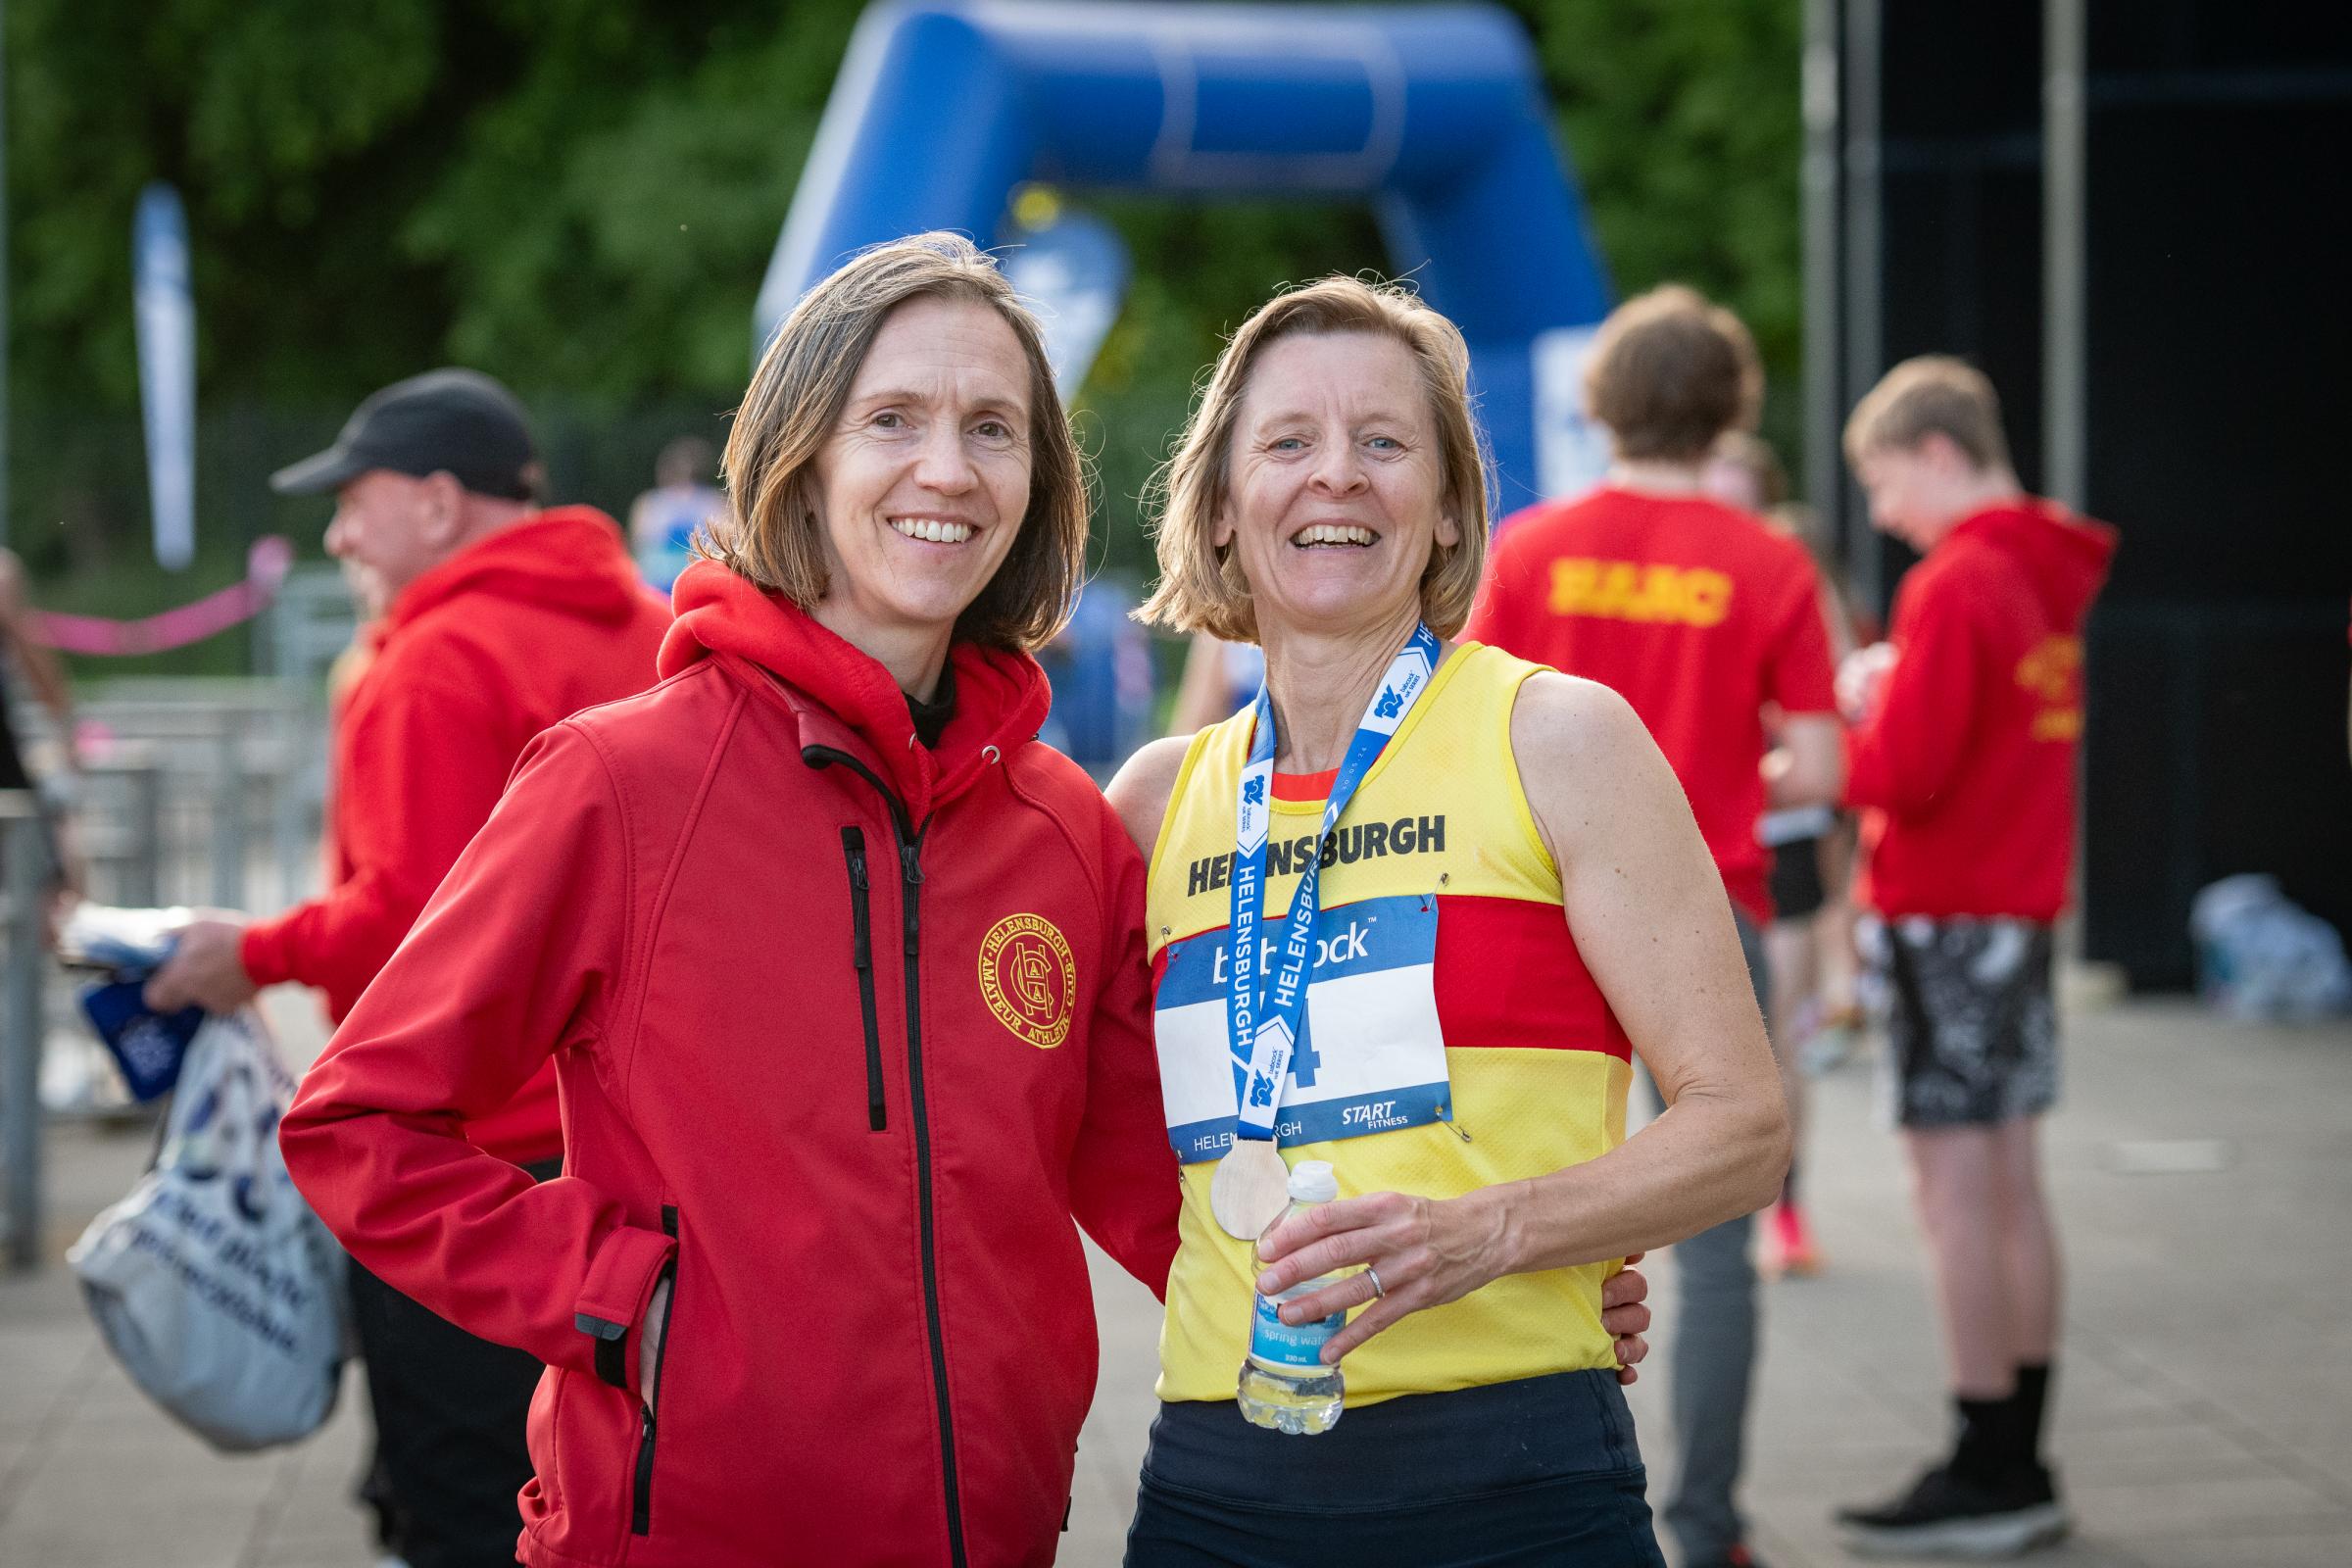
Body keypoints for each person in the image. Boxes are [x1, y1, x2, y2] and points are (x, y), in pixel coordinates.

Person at [276, 234, 1194, 1568]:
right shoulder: (621, 783)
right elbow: (358, 1121)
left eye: (993, 427)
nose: (949, 467)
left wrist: (1462, 1309)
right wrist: (614, 1302)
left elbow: (1167, 1188)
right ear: (800, 457)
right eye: (894, 419)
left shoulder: (1064, 826)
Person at [1107, 274, 1788, 1566]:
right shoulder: (1152, 805)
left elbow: (1745, 1130)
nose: (1338, 479)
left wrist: (1511, 1233)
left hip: (1511, 1474)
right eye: (1289, 442)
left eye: (1384, 442)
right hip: (1216, 1473)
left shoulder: (1559, 740)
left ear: (1451, 505)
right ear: (1219, 504)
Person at [143, 368, 671, 1568]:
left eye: (353, 501)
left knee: (459, 1501)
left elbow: (407, 924)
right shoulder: (652, 628)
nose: (335, 535)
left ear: (437, 503)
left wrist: (253, 952)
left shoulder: (432, 658)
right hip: (635, 1147)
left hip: (465, 1164)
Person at [1465, 285, 1842, 1568]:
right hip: (1708, 916)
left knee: (1511, 1200)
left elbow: (1461, 726)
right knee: (1725, 1240)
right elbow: (1827, 766)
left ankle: (1516, 1504)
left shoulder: (1528, 548)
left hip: (1538, 918)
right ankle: (1705, 1527)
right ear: (1731, 407)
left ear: (1600, 401)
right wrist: (1729, 775)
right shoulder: (1771, 561)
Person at [1831, 357, 2114, 1558]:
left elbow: (1905, 773)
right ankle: (2018, 1454)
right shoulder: (2044, 577)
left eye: (1888, 483)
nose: (1886, 514)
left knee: (1952, 1196)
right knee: (2009, 1185)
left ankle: (1984, 1462)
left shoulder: (1957, 583)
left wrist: (1857, 705)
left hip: (1944, 914)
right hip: (2017, 910)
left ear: (1939, 453)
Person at [1704, 430, 1862, 1274]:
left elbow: (1832, 694)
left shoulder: (1783, 569)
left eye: (1740, 499)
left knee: (1771, 1045)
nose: (1722, 515)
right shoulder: (1677, 569)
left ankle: (1785, 1207)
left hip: (1781, 841)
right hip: (1691, 843)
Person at [628, 435, 726, 595]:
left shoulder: (649, 504)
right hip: (701, 583)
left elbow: (638, 549)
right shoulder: (715, 503)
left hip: (660, 588)